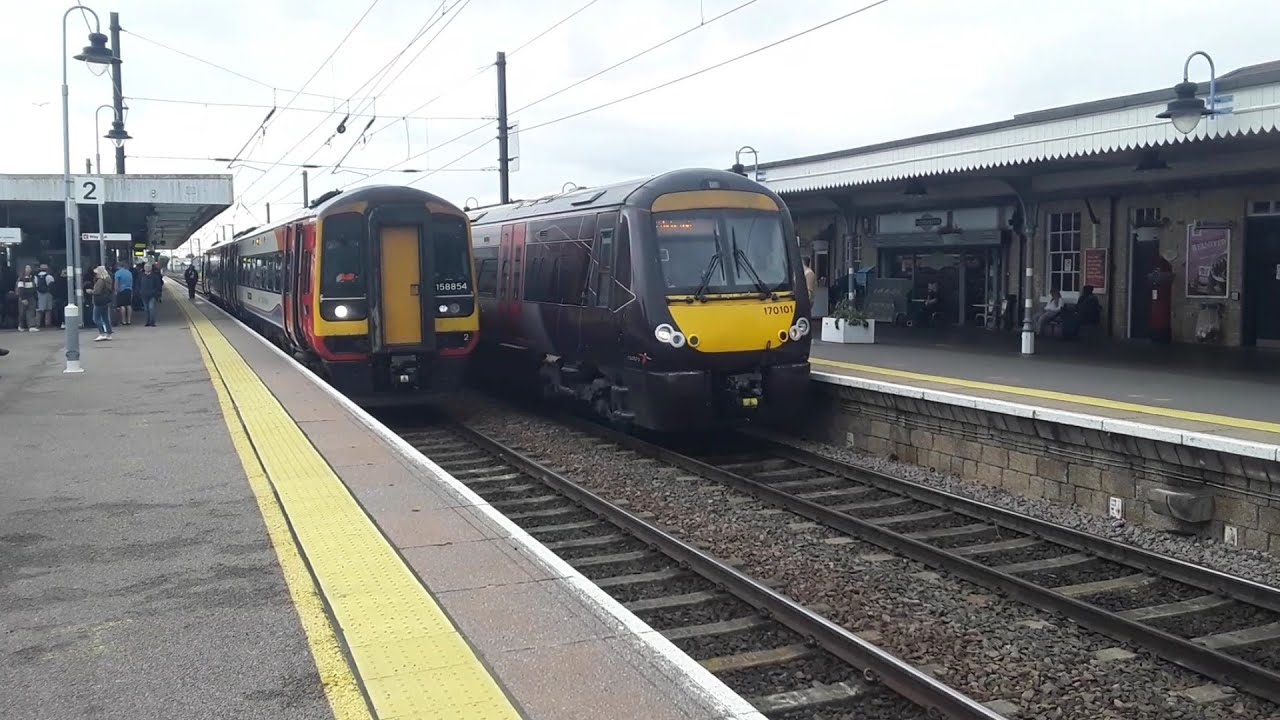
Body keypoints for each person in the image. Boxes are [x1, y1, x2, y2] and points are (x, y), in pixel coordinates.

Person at [90, 265, 115, 341]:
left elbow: (97, 291)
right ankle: (109, 333)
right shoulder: (108, 279)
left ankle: (102, 333)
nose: (95, 274)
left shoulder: (100, 281)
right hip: (106, 300)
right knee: (105, 318)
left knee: (96, 318)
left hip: (99, 301)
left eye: (96, 273)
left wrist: (90, 291)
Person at [138, 262, 163, 327]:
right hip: (144, 294)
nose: (147, 268)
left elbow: (158, 285)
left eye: (149, 267)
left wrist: (157, 293)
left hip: (152, 295)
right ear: (144, 268)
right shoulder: (141, 275)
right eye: (146, 267)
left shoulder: (155, 276)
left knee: (151, 308)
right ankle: (147, 322)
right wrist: (139, 291)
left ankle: (152, 322)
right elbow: (138, 284)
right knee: (146, 309)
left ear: (151, 268)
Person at [15, 265, 37, 332]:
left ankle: (31, 326)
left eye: (29, 268)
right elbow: (20, 289)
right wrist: (23, 298)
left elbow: (34, 287)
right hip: (24, 296)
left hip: (31, 296)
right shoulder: (21, 278)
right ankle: (21, 325)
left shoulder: (33, 277)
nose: (28, 269)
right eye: (27, 268)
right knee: (22, 312)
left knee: (31, 311)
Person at [113, 261, 134, 326]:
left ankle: (123, 321)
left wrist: (116, 290)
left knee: (122, 306)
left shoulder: (118, 273)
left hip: (121, 290)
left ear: (118, 266)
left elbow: (117, 282)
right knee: (128, 305)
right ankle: (129, 320)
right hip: (129, 290)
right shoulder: (129, 272)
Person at [35, 263, 55, 328]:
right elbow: (52, 286)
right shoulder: (49, 277)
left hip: (38, 294)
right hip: (48, 294)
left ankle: (37, 323)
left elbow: (35, 286)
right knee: (48, 309)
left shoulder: (35, 277)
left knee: (39, 309)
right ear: (47, 269)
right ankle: (47, 323)